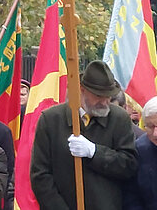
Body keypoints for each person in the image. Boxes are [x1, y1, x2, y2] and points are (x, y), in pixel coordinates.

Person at [30, 60, 138, 210]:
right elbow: (40, 175)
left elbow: (128, 166)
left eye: (109, 96)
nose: (105, 101)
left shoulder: (119, 118)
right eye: (99, 96)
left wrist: (95, 152)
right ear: (81, 90)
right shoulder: (51, 119)